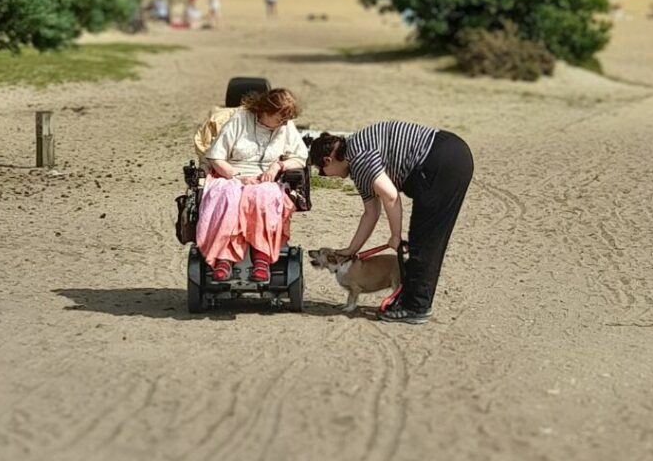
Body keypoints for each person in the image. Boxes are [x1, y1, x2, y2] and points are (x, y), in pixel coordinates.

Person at [308, 122, 474, 324]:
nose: (328, 177)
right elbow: (371, 213)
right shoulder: (356, 163)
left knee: (425, 241)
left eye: (323, 172)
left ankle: (416, 307)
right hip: (447, 152)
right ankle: (410, 301)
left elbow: (390, 196)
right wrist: (351, 249)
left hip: (440, 159)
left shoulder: (360, 158)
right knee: (423, 238)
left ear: (328, 160)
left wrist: (395, 236)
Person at [198, 88, 308, 283]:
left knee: (264, 196)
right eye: (279, 118)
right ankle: (223, 259)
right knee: (228, 197)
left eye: (285, 120)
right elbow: (216, 156)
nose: (282, 123)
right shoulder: (240, 119)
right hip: (231, 174)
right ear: (264, 110)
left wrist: (278, 165)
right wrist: (238, 176)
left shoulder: (285, 126)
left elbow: (300, 157)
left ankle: (262, 260)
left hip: (266, 178)